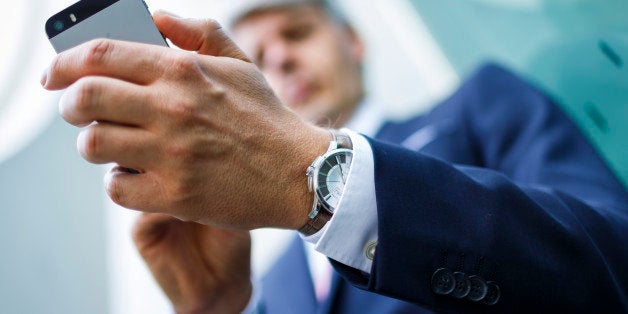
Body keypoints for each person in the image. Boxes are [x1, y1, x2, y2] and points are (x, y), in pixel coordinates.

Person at [41, 0, 628, 313]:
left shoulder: (476, 104)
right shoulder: (274, 282)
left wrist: (318, 179)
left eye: (296, 34)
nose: (282, 60)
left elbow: (614, 255)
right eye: (261, 55)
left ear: (352, 42)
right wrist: (215, 311)